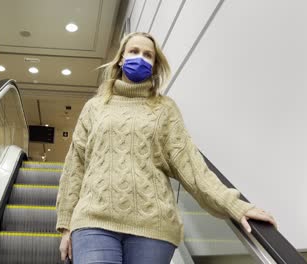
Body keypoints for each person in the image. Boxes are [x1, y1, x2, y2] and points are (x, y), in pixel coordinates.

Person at [55, 32, 277, 264]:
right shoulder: (95, 107)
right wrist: (66, 226)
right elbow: (75, 167)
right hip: (93, 222)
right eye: (133, 51)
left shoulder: (165, 109)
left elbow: (191, 167)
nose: (139, 58)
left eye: (147, 55)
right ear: (121, 59)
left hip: (153, 227)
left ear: (154, 65)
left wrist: (235, 205)